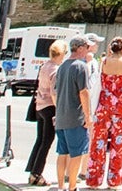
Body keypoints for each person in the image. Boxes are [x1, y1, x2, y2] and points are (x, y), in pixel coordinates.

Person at [85, 36, 122, 189]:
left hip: (103, 105)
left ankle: (94, 179)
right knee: (118, 145)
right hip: (120, 107)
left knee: (98, 142)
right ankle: (114, 181)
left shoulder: (104, 62)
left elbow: (98, 82)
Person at [52, 37, 93, 191]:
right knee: (77, 153)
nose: (88, 50)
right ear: (80, 48)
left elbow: (55, 92)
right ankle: (72, 186)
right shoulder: (80, 67)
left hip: (62, 115)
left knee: (62, 152)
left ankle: (61, 185)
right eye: (87, 47)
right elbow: (84, 92)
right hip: (75, 116)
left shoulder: (62, 66)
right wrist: (88, 116)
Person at [25, 39, 66, 187]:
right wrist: (59, 110)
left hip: (40, 106)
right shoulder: (56, 70)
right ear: (61, 54)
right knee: (47, 142)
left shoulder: (44, 66)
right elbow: (54, 93)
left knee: (40, 140)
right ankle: (37, 173)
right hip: (50, 107)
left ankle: (32, 170)